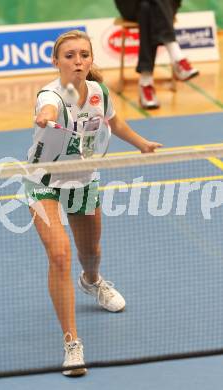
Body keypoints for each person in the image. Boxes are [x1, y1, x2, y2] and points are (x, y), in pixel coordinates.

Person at [25, 29, 162, 376]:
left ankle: (92, 280)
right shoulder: (51, 95)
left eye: (83, 55)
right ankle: (72, 343)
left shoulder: (98, 92)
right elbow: (51, 106)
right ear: (56, 61)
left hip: (83, 180)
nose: (77, 61)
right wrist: (45, 118)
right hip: (44, 184)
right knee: (59, 255)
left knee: (91, 253)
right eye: (69, 56)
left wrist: (141, 143)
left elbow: (113, 121)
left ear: (90, 60)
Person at [114, 0, 199, 109]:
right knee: (147, 8)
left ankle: (146, 81)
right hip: (132, 5)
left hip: (165, 4)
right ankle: (177, 57)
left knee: (146, 8)